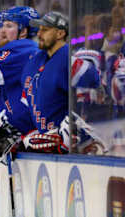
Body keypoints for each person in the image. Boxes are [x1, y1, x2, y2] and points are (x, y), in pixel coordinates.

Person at [21, 12, 102, 154]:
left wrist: (72, 135)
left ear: (60, 33)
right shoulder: (39, 60)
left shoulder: (66, 59)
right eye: (39, 29)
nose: (39, 34)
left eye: (45, 30)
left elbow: (95, 86)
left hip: (69, 148)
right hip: (48, 144)